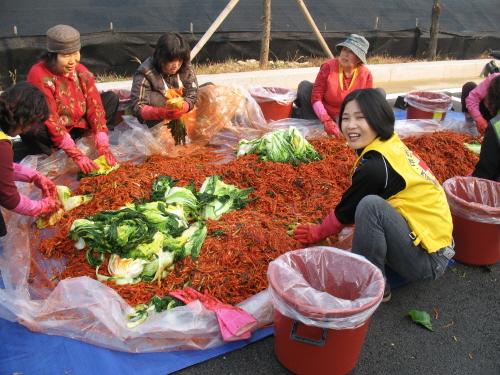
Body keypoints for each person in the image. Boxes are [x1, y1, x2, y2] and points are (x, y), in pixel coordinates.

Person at [293, 88, 455, 302]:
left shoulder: (376, 167)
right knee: (371, 206)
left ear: (378, 119)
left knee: (370, 206)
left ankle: (372, 288)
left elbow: (347, 211)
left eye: (361, 118)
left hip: (429, 261)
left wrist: (320, 232)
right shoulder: (389, 145)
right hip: (438, 243)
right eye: (346, 118)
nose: (350, 125)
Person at [23, 24, 119, 174]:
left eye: (75, 53)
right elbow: (50, 117)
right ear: (51, 55)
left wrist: (102, 143)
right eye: (66, 56)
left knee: (110, 98)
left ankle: (91, 142)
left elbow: (95, 105)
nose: (72, 61)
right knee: (31, 127)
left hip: (78, 127)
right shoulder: (40, 75)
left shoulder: (81, 72)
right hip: (53, 131)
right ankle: (52, 159)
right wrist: (75, 154)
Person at [0, 82, 60, 237]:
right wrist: (42, 206)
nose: (30, 128)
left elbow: (2, 167)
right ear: (23, 117)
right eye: (32, 122)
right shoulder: (2, 146)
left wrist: (33, 176)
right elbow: (10, 199)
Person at [294, 34, 382, 137]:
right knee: (305, 87)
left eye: (351, 52)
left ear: (359, 59)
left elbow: (366, 104)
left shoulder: (366, 75)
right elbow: (316, 97)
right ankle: (311, 128)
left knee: (379, 93)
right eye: (344, 50)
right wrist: (326, 120)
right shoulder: (328, 67)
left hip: (351, 115)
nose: (345, 54)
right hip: (324, 112)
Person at [130, 32, 200, 129]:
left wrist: (183, 106)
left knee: (211, 91)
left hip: (186, 117)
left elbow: (193, 92)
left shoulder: (186, 66)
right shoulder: (145, 73)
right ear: (161, 57)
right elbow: (138, 107)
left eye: (180, 60)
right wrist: (162, 113)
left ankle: (198, 131)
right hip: (158, 122)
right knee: (155, 99)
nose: (176, 65)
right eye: (171, 60)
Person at [470, 76, 500, 181]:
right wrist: (479, 119)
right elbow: (471, 98)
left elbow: (486, 171)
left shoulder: (496, 126)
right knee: (468, 86)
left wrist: (471, 179)